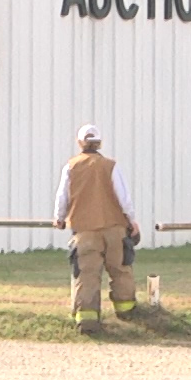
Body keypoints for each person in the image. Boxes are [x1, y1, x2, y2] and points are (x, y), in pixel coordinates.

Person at [51, 123, 139, 334]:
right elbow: (123, 197)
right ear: (99, 143)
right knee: (120, 270)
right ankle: (127, 312)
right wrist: (132, 221)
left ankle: (87, 320)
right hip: (115, 229)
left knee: (87, 274)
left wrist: (59, 218)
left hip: (84, 231)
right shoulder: (111, 166)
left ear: (80, 143)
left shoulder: (71, 167)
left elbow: (62, 196)